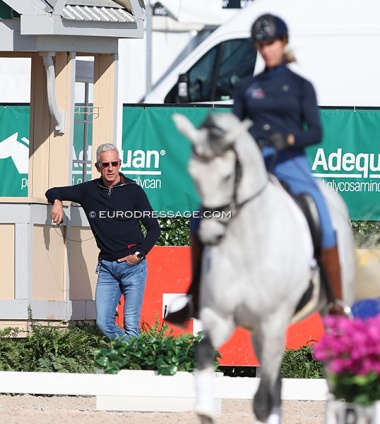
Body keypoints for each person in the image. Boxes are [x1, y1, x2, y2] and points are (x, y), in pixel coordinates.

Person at [166, 13, 347, 324]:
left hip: (291, 162)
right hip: (253, 165)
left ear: (283, 43)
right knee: (201, 216)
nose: (266, 50)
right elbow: (234, 127)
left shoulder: (301, 86)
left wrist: (289, 137)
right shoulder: (246, 86)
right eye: (261, 45)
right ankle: (194, 296)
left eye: (271, 43)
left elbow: (315, 132)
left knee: (324, 219)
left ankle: (337, 303)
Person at [45, 143, 161, 340]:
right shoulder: (89, 190)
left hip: (133, 266)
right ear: (98, 166)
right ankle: (138, 353)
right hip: (107, 267)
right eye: (105, 164)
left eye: (114, 163)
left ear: (119, 164)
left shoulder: (133, 190)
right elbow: (53, 191)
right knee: (103, 322)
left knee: (131, 324)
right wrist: (56, 202)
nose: (110, 168)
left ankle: (130, 363)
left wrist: (138, 254)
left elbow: (154, 228)